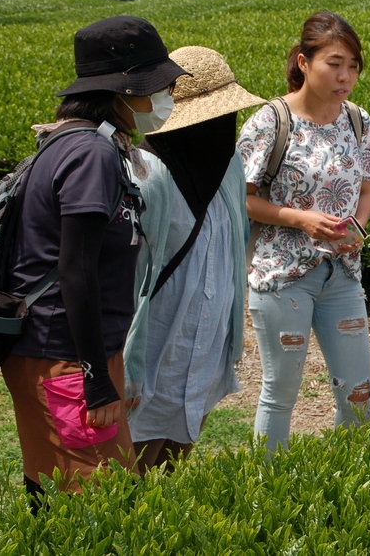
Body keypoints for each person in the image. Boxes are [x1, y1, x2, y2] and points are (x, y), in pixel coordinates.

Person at [1, 16, 187, 500]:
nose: (164, 98)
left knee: (69, 486)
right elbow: (75, 268)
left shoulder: (81, 143)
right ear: (122, 89)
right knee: (96, 500)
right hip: (65, 354)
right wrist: (95, 379)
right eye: (158, 86)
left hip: (76, 352)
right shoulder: (90, 154)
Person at [237, 10, 370, 451]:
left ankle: (347, 487)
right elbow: (241, 198)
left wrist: (357, 226)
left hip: (341, 273)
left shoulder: (358, 121)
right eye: (334, 64)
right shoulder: (271, 120)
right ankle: (271, 489)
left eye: (353, 67)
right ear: (304, 62)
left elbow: (365, 189)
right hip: (283, 276)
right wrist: (298, 218)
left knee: (360, 396)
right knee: (281, 393)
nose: (345, 77)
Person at [122, 46, 265, 473]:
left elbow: (232, 247)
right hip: (156, 344)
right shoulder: (143, 175)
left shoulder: (229, 166)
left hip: (203, 338)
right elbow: (126, 280)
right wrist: (124, 366)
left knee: (175, 462)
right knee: (131, 469)